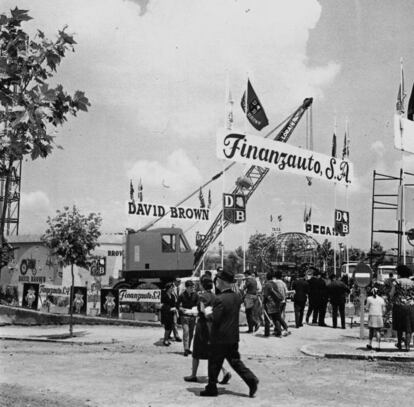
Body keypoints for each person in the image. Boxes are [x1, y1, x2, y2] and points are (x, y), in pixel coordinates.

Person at [200, 268, 259, 398]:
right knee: (235, 361)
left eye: (217, 280)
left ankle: (211, 387)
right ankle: (251, 379)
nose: (216, 282)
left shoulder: (219, 299)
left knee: (214, 362)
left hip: (220, 337)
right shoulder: (236, 297)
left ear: (221, 281)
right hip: (233, 336)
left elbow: (216, 319)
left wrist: (207, 313)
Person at [184, 275, 231, 385]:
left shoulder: (202, 296)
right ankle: (225, 371)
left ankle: (193, 375)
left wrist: (195, 312)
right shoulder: (215, 297)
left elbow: (202, 309)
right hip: (213, 326)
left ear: (202, 284)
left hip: (203, 326)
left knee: (196, 352)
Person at [390, 264, 414, 351]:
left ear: (400, 273)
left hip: (398, 306)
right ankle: (407, 347)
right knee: (409, 328)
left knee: (399, 326)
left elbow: (391, 294)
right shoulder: (412, 283)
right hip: (410, 306)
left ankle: (399, 344)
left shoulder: (396, 282)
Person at [178, 280, 199, 356]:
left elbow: (198, 304)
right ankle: (186, 349)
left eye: (193, 287)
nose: (192, 288)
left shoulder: (196, 295)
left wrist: (196, 309)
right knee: (186, 332)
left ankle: (188, 348)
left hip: (192, 316)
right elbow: (177, 305)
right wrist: (180, 309)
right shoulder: (182, 295)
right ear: (186, 288)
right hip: (184, 317)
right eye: (190, 287)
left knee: (191, 333)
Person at [263, 271, 284, 337]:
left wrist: (263, 303)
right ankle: (279, 332)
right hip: (276, 303)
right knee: (276, 318)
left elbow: (265, 295)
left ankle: (267, 333)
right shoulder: (275, 284)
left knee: (267, 318)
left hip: (268, 304)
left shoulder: (267, 285)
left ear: (267, 277)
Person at [169, 278, 182, 342]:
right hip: (172, 306)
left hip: (178, 306)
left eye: (180, 281)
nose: (179, 282)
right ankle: (177, 336)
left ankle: (168, 334)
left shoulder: (180, 288)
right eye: (178, 281)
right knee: (174, 321)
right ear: (174, 281)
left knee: (173, 322)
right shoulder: (171, 287)